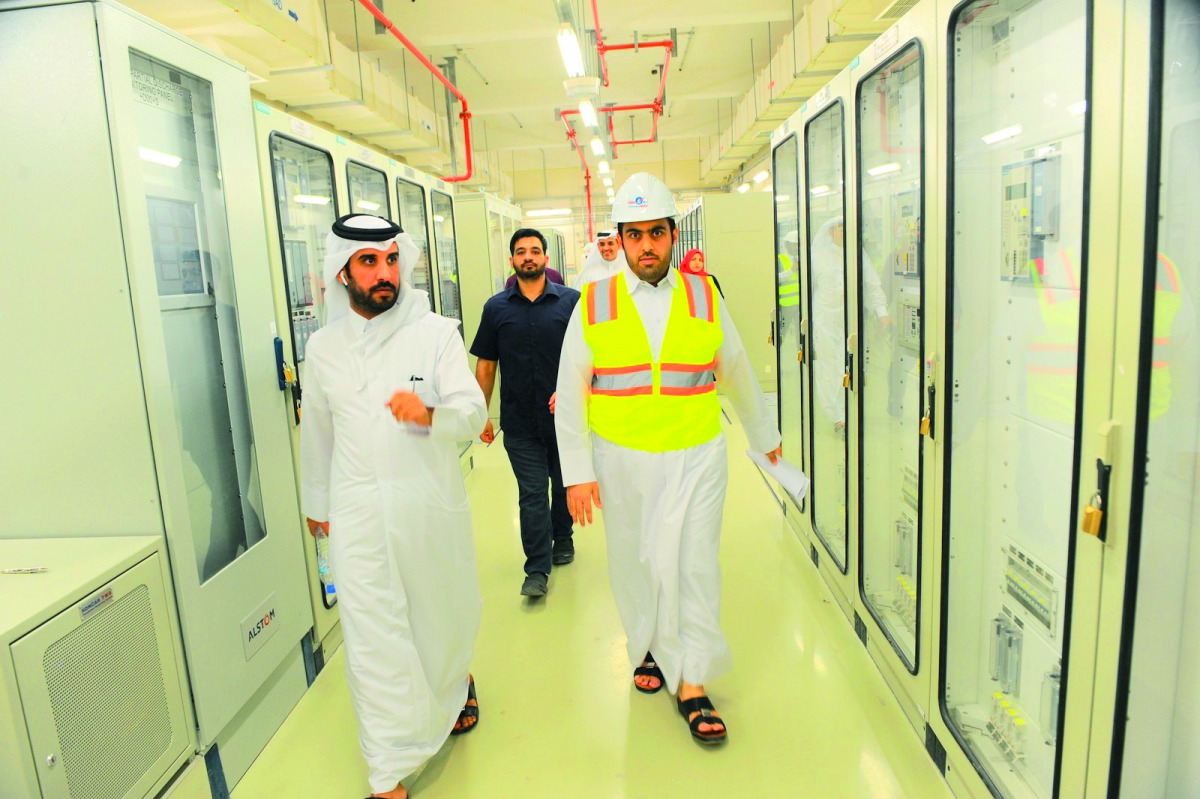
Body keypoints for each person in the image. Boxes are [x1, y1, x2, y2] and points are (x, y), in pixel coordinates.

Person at [555, 173, 782, 746]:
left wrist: (764, 434)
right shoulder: (595, 302)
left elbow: (736, 369)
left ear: (673, 235)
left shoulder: (704, 296)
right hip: (622, 458)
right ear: (621, 239)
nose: (646, 246)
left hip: (697, 453)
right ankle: (650, 645)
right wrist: (577, 475)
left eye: (657, 233)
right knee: (636, 562)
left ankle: (694, 681)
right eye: (635, 235)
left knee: (694, 563)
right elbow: (570, 390)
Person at [300, 214, 487, 799]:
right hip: (356, 512)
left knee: (441, 615)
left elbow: (475, 411)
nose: (384, 273)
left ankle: (454, 684)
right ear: (343, 272)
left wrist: (431, 414)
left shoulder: (437, 333)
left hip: (427, 505)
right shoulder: (322, 348)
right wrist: (316, 500)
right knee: (370, 633)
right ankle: (387, 770)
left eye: (390, 259)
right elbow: (318, 433)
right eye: (368, 262)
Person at [472, 228, 581, 598]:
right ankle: (536, 569)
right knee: (532, 492)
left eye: (535, 251)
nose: (528, 257)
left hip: (565, 419)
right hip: (519, 421)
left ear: (546, 258)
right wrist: (479, 413)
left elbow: (591, 359)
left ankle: (563, 536)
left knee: (562, 482)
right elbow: (486, 364)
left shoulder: (572, 303)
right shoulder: (495, 309)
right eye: (521, 252)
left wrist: (579, 395)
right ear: (512, 261)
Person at [809, 216, 890, 434]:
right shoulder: (817, 258)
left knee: (849, 365)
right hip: (824, 321)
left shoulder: (857, 256)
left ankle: (848, 412)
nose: (842, 233)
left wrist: (881, 312)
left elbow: (872, 285)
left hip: (851, 321)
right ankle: (836, 416)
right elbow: (808, 291)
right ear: (830, 232)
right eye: (838, 229)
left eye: (846, 229)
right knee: (828, 368)